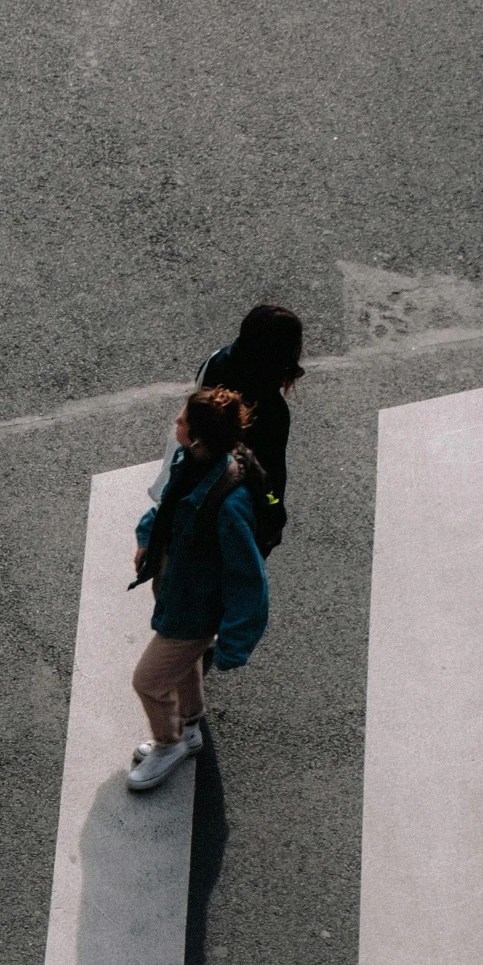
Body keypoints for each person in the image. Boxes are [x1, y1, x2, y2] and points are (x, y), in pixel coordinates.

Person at [127, 385, 270, 792]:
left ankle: (169, 743)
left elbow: (249, 578)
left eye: (184, 419)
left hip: (195, 607)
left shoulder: (230, 503)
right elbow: (165, 509)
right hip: (173, 586)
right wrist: (145, 538)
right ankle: (188, 727)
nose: (176, 422)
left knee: (148, 682)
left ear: (201, 434)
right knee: (184, 666)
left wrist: (234, 643)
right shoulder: (188, 458)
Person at [197, 302, 304, 550]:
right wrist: (275, 515)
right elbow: (270, 478)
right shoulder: (271, 410)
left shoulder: (216, 363)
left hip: (199, 489)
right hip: (238, 512)